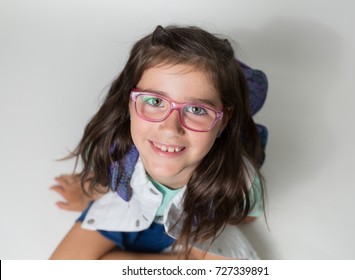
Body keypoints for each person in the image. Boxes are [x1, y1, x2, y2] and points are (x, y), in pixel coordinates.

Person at [50, 25, 266, 260]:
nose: (170, 128)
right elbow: (102, 178)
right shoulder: (113, 150)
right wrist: (87, 193)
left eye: (196, 109)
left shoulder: (241, 178)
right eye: (154, 101)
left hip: (197, 227)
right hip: (128, 211)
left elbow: (246, 215)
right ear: (129, 103)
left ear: (223, 121)